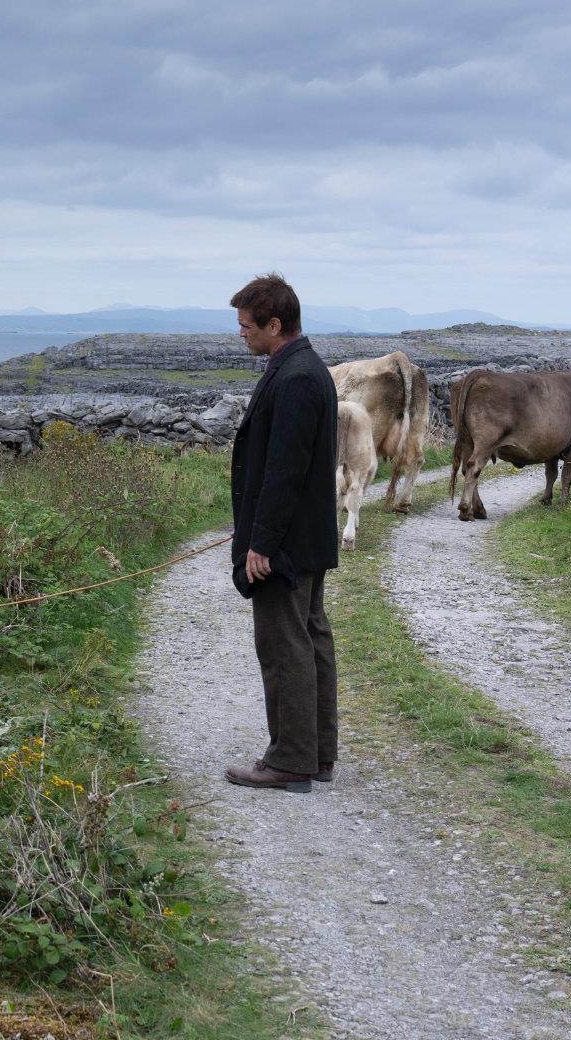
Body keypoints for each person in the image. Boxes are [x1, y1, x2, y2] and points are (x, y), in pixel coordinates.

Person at [224, 273, 340, 794]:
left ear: (276, 324)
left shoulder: (295, 378)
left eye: (248, 326)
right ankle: (316, 752)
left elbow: (285, 470)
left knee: (284, 645)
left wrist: (261, 543)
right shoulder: (306, 368)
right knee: (310, 640)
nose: (242, 334)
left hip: (286, 545)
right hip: (306, 538)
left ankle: (291, 759)